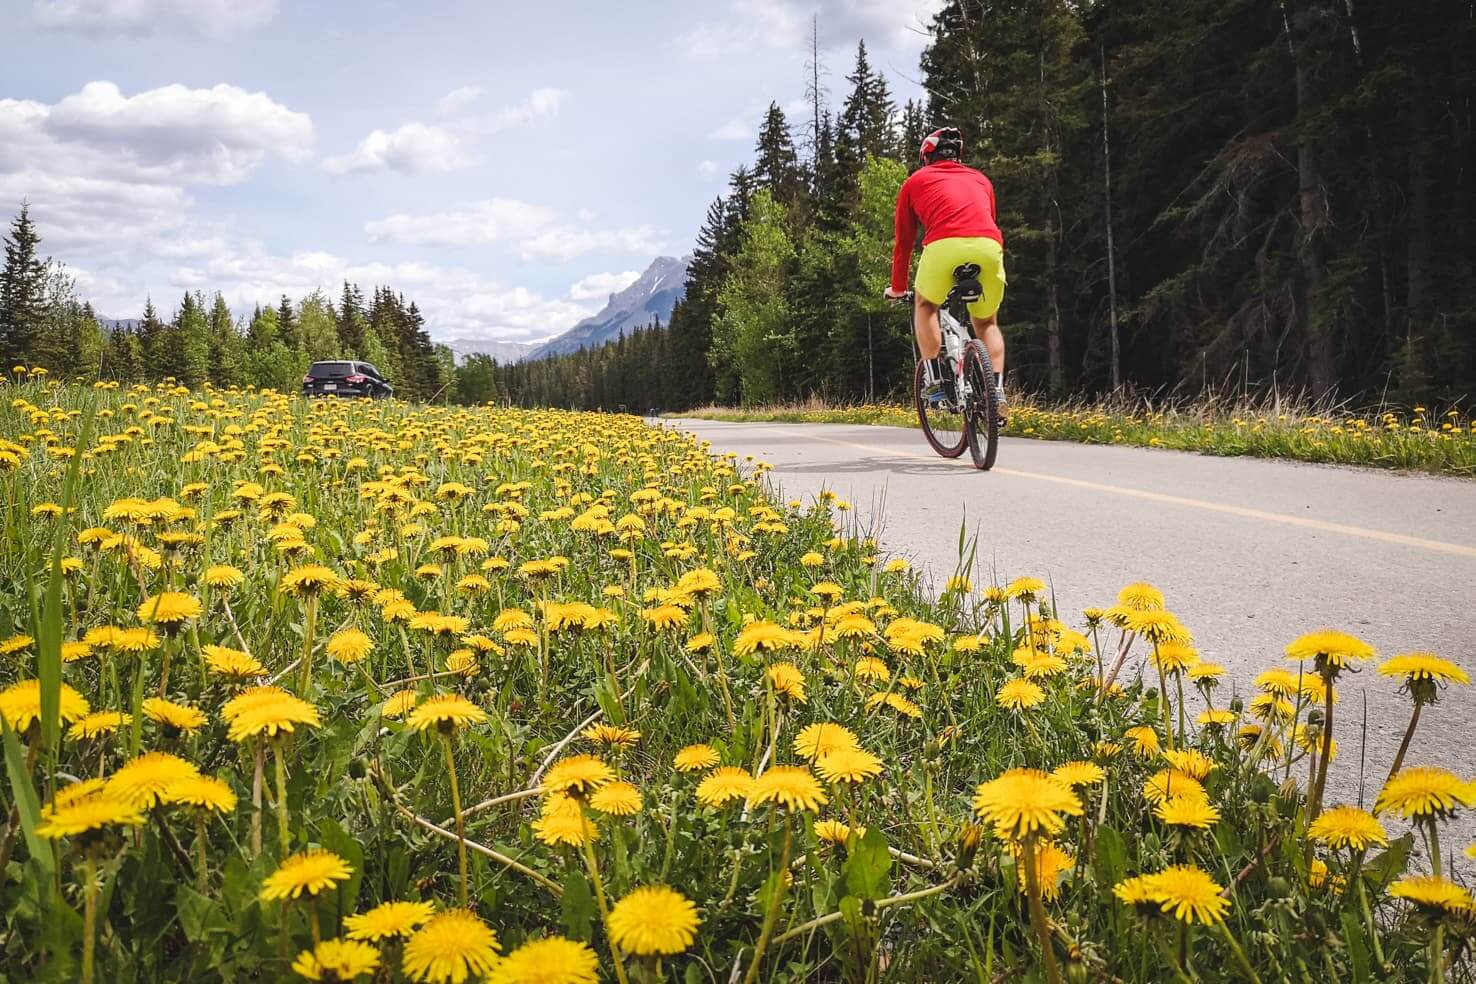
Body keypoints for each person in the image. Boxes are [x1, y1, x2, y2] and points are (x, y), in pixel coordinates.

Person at [884, 126, 1008, 418]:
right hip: (988, 247)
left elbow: (903, 243)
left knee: (925, 305)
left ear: (926, 156)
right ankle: (998, 392)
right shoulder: (981, 180)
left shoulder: (915, 182)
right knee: (987, 322)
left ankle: (937, 380)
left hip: (942, 247)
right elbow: (986, 220)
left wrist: (898, 287)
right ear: (958, 155)